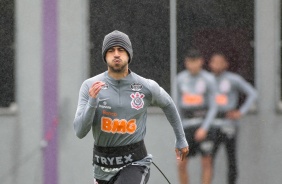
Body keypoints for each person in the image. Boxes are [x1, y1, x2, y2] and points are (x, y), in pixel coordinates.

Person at [73, 30, 189, 184]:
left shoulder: (145, 86)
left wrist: (181, 139)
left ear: (129, 54)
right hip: (102, 167)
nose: (116, 54)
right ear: (104, 56)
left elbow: (168, 104)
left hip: (135, 163)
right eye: (111, 50)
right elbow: (80, 131)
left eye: (121, 50)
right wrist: (92, 102)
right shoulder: (90, 86)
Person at [208, 52, 257, 184]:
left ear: (226, 64)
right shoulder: (207, 79)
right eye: (214, 62)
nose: (216, 65)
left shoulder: (233, 79)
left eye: (220, 62)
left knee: (231, 159)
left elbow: (252, 93)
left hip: (228, 124)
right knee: (208, 158)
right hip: (212, 124)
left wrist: (241, 112)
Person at [176, 49, 218, 184]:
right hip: (187, 126)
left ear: (201, 62)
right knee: (181, 163)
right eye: (189, 62)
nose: (192, 65)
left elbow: (214, 106)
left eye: (195, 62)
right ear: (186, 63)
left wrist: (205, 128)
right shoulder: (180, 79)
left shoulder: (209, 79)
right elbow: (176, 106)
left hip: (203, 125)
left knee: (206, 162)